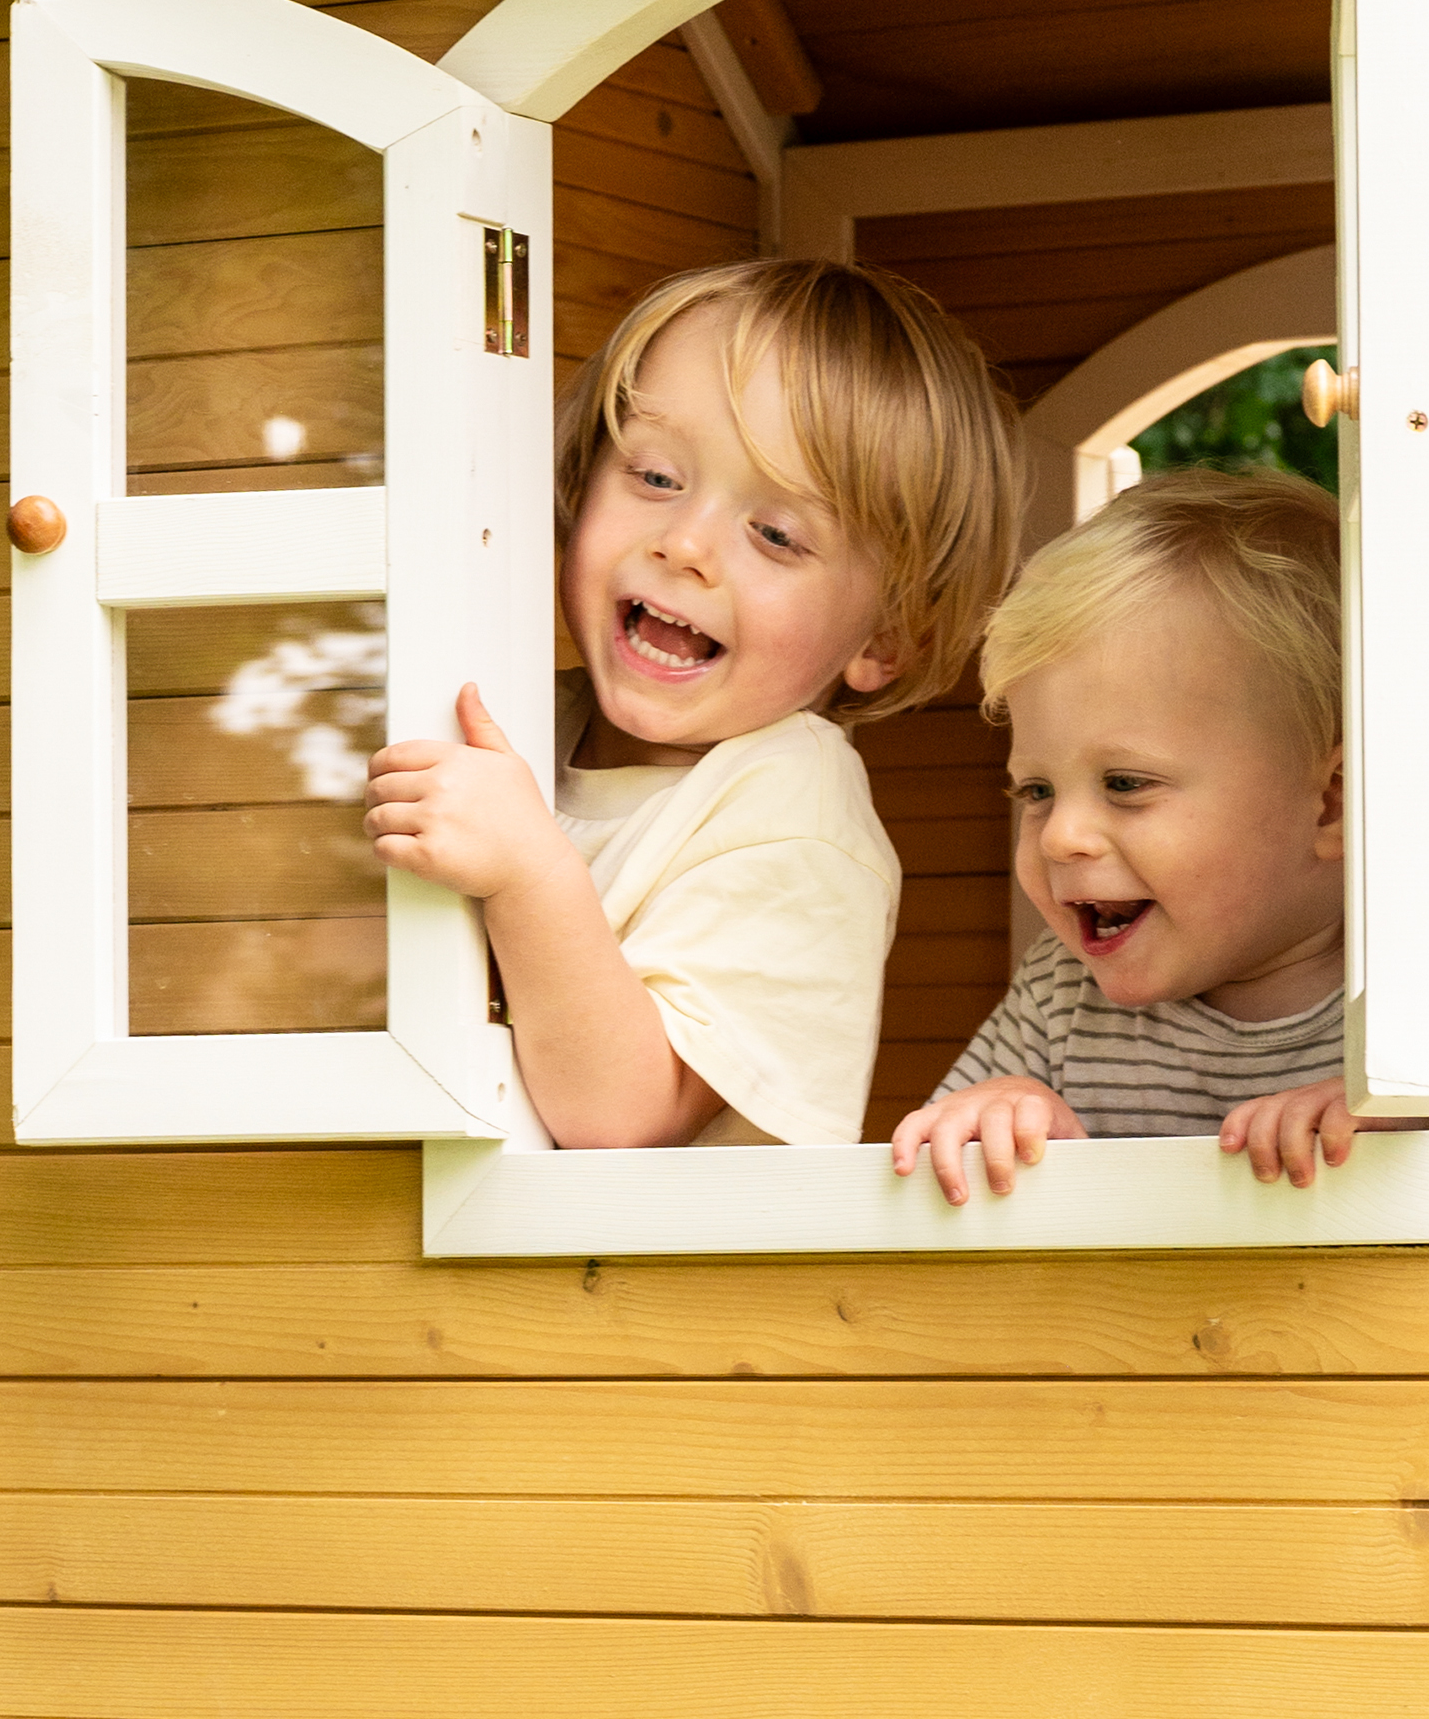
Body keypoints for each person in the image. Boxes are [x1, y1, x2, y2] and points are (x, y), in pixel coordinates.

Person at [365, 258, 1021, 1148]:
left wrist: (528, 871)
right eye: (658, 478)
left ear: (885, 639)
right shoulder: (520, 714)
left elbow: (624, 1119)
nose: (685, 545)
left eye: (777, 534)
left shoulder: (798, 815)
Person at [891, 466, 1356, 1204]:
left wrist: (1403, 1125)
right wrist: (998, 1111)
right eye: (1037, 791)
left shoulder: (1420, 999)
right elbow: (937, 1159)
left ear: (1328, 805)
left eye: (1126, 784)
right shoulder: (1062, 994)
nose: (1059, 837)